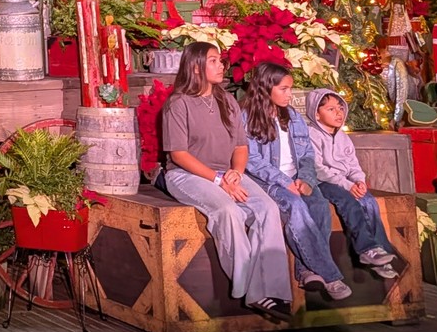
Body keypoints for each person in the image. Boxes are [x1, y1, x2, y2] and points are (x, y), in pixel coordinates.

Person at [160, 42, 292, 317]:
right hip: (187, 175)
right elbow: (178, 154)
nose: (221, 65)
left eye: (220, 60)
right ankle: (253, 291)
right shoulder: (178, 103)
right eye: (213, 60)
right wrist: (219, 181)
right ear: (196, 67)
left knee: (267, 208)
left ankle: (274, 290)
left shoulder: (227, 101)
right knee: (227, 210)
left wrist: (237, 172)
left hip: (227, 173)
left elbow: (241, 146)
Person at [242, 63, 352, 300]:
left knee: (319, 206)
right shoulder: (247, 117)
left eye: (290, 89)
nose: (289, 94)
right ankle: (330, 276)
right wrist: (283, 181)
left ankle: (307, 271)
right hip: (268, 181)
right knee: (296, 206)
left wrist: (306, 178)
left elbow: (307, 154)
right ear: (265, 88)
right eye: (284, 89)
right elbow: (251, 160)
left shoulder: (292, 116)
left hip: (296, 177)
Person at [305, 87, 399, 280]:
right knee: (348, 201)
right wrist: (347, 186)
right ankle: (367, 249)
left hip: (346, 181)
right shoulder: (311, 135)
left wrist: (358, 181)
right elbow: (318, 169)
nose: (338, 113)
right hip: (323, 182)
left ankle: (381, 254)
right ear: (316, 113)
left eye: (340, 108)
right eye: (331, 109)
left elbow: (353, 164)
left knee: (369, 202)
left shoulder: (343, 137)